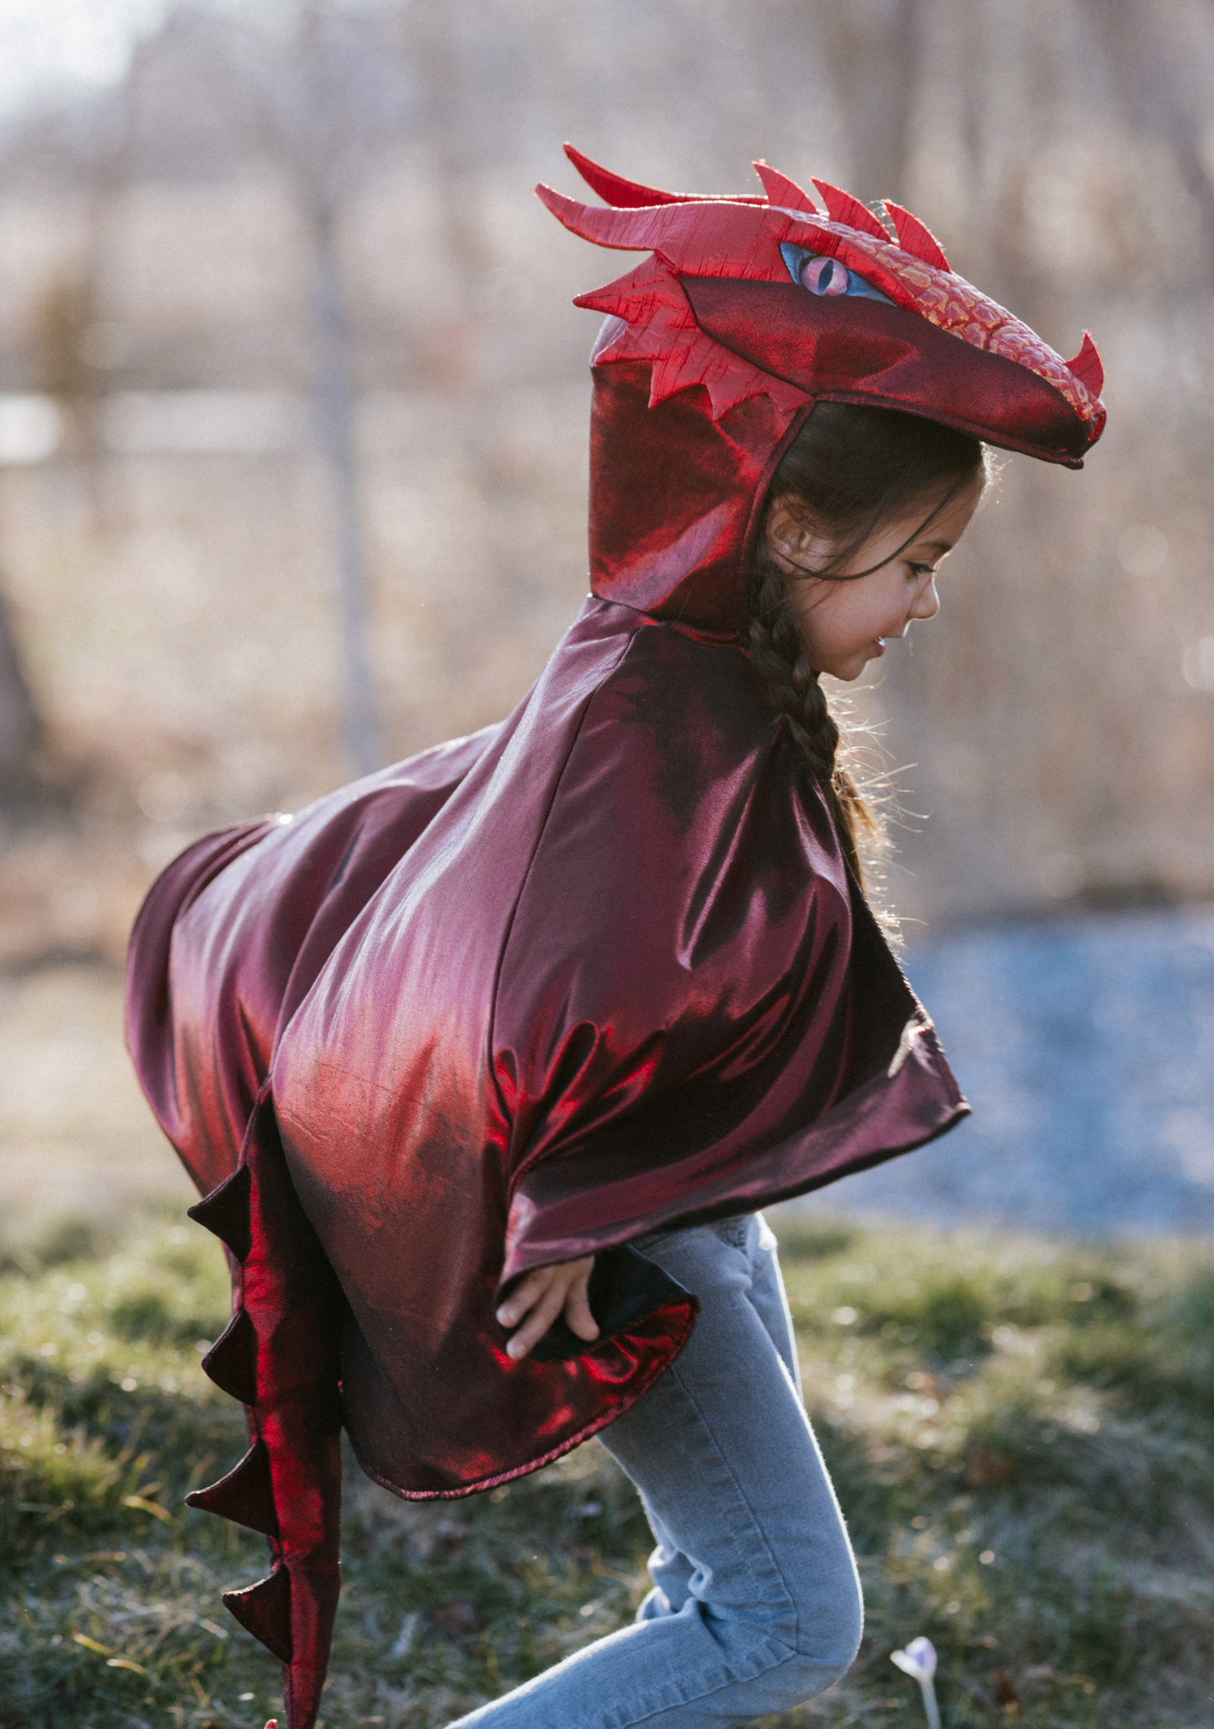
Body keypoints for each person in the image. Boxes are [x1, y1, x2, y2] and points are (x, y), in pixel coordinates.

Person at [124, 147, 1105, 1729]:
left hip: (679, 1185)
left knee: (707, 1598)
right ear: (790, 531)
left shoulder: (684, 671)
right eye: (915, 564)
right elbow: (531, 973)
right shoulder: (655, 712)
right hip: (622, 1217)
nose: (925, 604)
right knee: (781, 1622)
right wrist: (574, 1204)